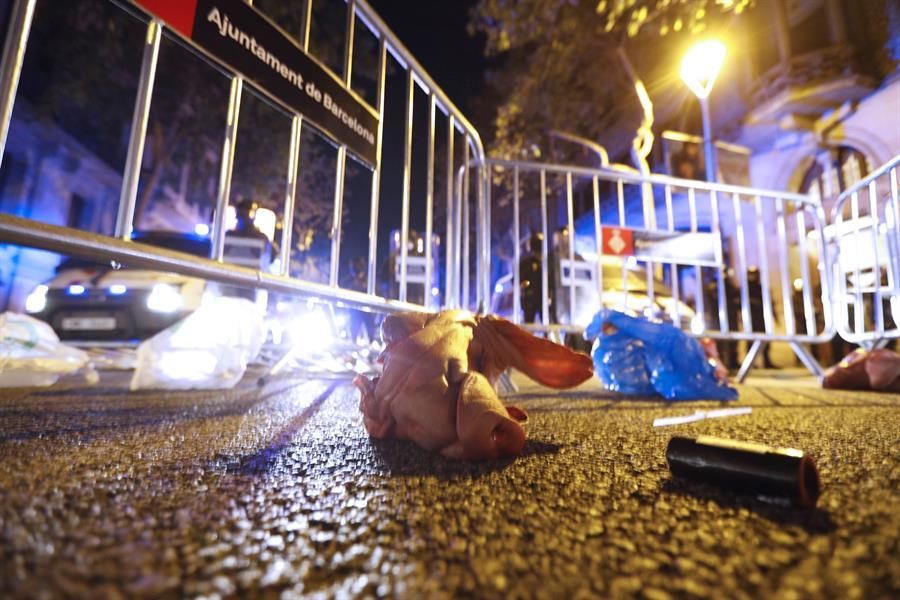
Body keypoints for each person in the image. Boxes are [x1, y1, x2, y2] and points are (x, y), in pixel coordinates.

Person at [746, 266, 774, 368]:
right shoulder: (745, 289)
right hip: (750, 319)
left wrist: (774, 316)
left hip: (762, 318)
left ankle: (767, 361)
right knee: (750, 341)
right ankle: (750, 364)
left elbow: (771, 303)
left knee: (765, 341)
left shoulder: (762, 288)